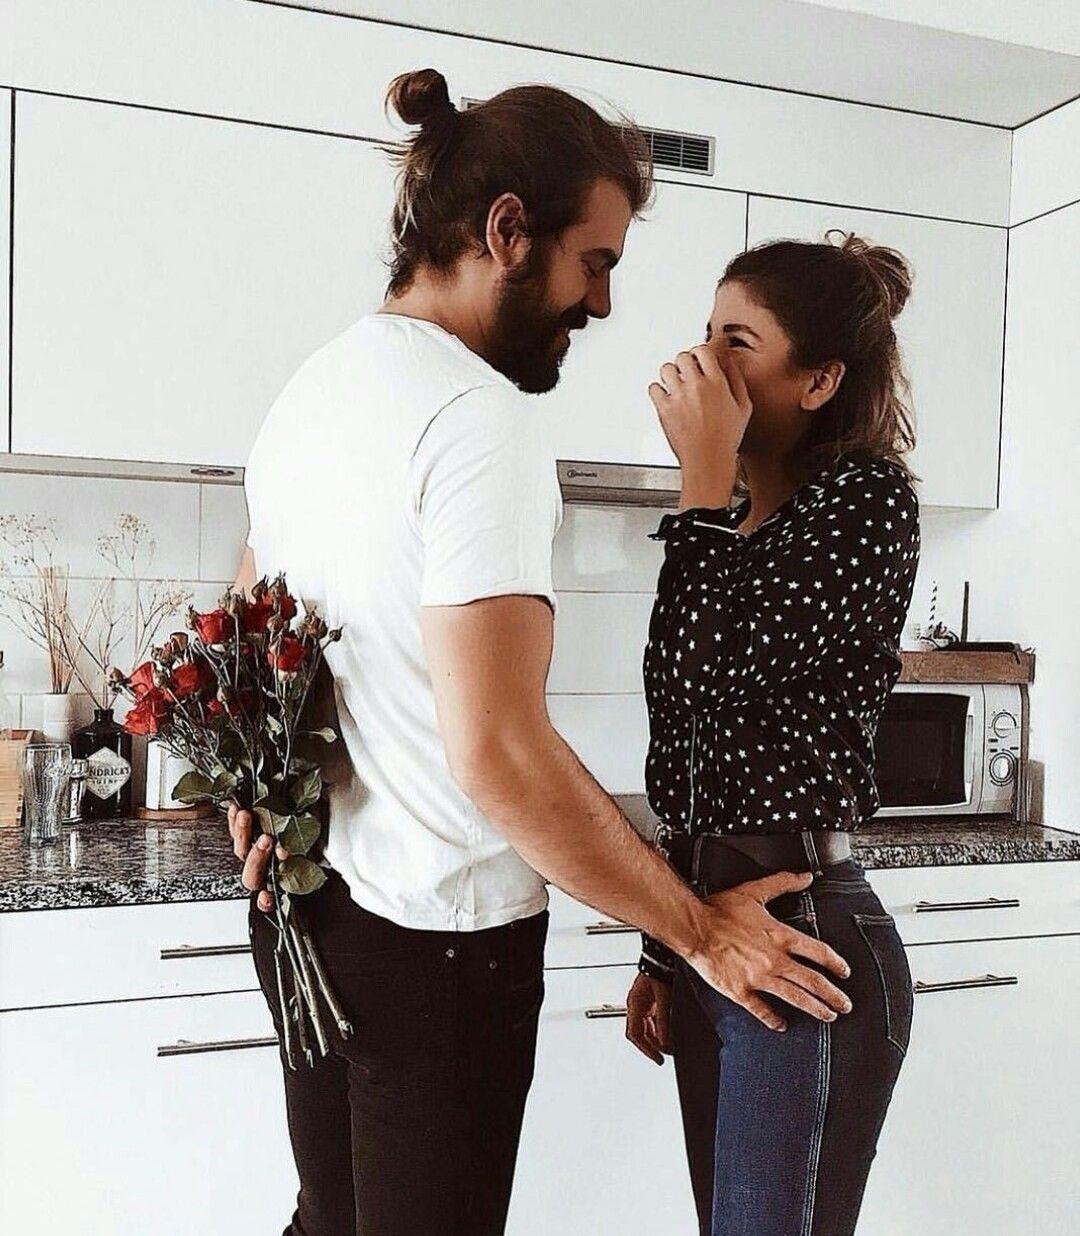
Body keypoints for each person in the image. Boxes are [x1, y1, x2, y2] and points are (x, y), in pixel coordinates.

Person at [230, 69, 850, 1236]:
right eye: (595, 262)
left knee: (327, 1222)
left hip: (310, 915)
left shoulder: (310, 394)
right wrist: (700, 931)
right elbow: (501, 753)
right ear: (509, 231)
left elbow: (252, 626)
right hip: (434, 951)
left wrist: (257, 790)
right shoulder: (481, 421)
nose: (602, 303)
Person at [625, 232, 921, 1236]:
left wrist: (701, 478)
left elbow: (706, 672)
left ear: (819, 380)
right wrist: (665, 948)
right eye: (706, 333)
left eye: (738, 342)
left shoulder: (865, 501)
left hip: (805, 936)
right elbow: (684, 735)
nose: (704, 362)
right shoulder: (737, 522)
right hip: (714, 934)